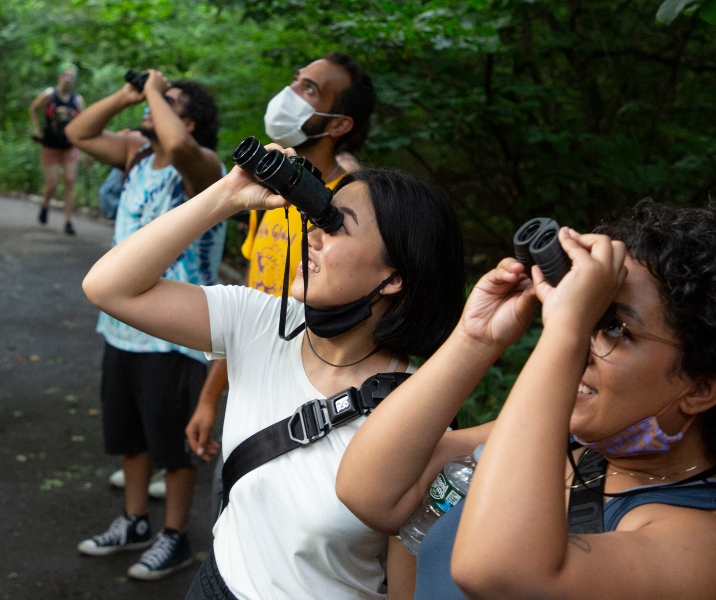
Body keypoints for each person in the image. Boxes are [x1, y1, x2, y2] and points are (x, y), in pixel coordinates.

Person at [337, 200, 716, 599]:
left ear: (701, 390)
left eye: (615, 327)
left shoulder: (712, 552)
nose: (587, 339)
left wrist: (567, 331)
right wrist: (476, 339)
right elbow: (371, 490)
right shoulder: (567, 447)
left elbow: (498, 570)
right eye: (590, 316)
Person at [82, 152, 467, 597]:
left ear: (394, 276)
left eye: (336, 226)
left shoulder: (418, 413)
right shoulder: (260, 323)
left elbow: (408, 584)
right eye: (317, 221)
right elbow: (108, 287)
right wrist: (227, 195)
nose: (312, 238)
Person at [185, 52, 377, 513]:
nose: (290, 94)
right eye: (295, 80)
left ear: (338, 125)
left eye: (310, 90)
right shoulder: (269, 198)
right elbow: (254, 306)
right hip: (249, 388)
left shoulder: (354, 215)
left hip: (307, 406)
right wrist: (211, 396)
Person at [64, 70, 226, 580]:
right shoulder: (135, 155)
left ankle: (174, 536)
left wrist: (156, 90)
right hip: (122, 325)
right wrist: (127, 93)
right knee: (129, 434)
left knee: (174, 444)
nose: (150, 107)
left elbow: (178, 145)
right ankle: (135, 522)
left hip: (176, 331)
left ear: (189, 118)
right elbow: (78, 134)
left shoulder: (202, 168)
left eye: (168, 101)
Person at [30, 65, 86, 235]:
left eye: (71, 76)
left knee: (69, 181)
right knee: (52, 184)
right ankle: (45, 205)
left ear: (74, 80)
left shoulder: (77, 100)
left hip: (70, 145)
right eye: (65, 75)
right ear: (59, 78)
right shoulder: (49, 95)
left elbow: (85, 122)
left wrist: (87, 148)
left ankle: (68, 221)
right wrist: (37, 129)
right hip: (51, 144)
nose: (68, 78)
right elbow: (33, 108)